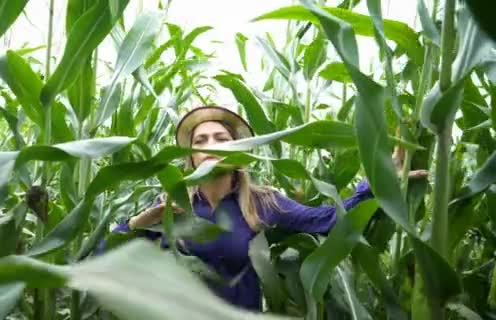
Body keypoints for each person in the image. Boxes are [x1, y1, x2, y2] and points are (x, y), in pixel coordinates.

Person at [106, 105, 427, 312]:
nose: (212, 145)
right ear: (190, 155)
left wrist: (377, 182)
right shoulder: (173, 203)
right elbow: (102, 259)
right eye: (201, 140)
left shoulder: (260, 202)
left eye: (221, 137)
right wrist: (140, 221)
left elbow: (327, 220)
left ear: (241, 150)